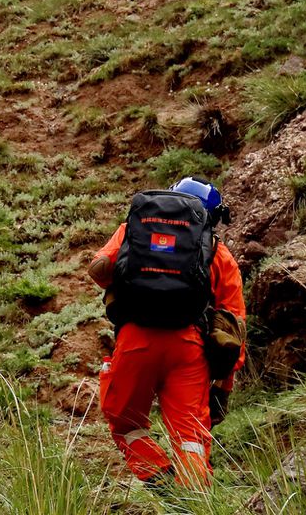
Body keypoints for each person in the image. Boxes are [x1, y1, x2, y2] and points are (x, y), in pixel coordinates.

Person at [88, 177, 246, 489]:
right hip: (189, 350)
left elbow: (98, 269)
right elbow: (233, 329)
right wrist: (223, 387)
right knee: (190, 438)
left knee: (125, 424)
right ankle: (193, 503)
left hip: (135, 340)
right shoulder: (220, 255)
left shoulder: (132, 231)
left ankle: (162, 484)